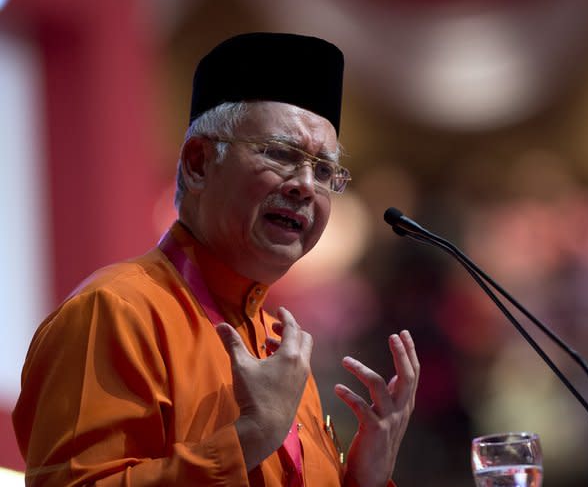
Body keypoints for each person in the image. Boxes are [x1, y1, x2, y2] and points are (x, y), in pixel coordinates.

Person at [13, 32, 420, 487]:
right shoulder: (115, 312)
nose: (306, 186)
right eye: (281, 154)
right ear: (199, 162)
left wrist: (364, 479)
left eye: (324, 170)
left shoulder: (275, 342)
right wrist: (247, 438)